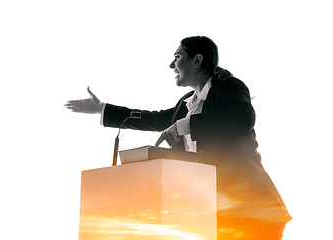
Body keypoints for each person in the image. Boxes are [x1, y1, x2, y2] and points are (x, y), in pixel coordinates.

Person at [65, 36, 292, 240]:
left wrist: (187, 125)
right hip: (215, 214)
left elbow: (242, 118)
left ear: (197, 61)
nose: (172, 64)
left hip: (252, 210)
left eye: (177, 56)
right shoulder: (186, 104)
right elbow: (152, 118)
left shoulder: (230, 87)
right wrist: (102, 108)